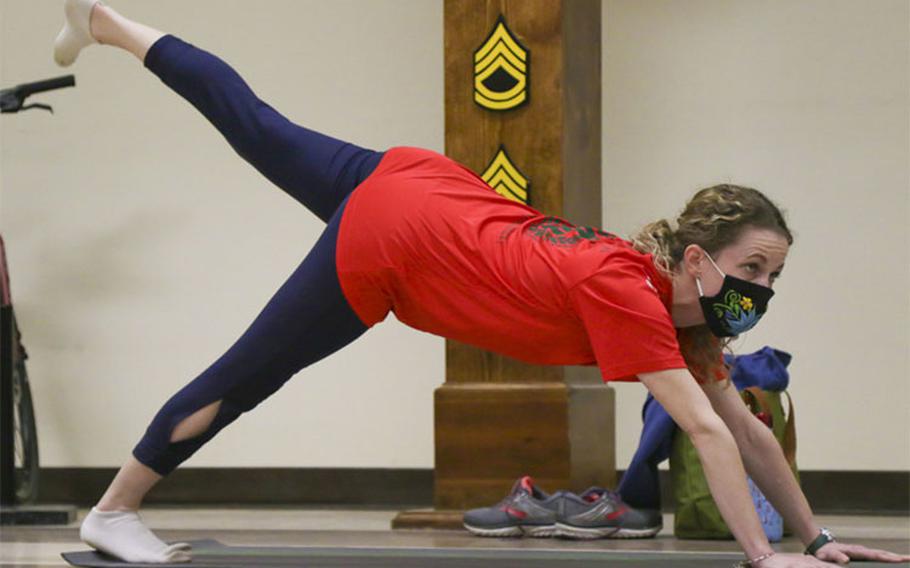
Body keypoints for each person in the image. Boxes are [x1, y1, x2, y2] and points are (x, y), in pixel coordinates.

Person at [51, 1, 909, 566]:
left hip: (421, 184)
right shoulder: (629, 293)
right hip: (393, 244)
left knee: (255, 123)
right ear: (696, 258)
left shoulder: (685, 316)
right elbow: (709, 434)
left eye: (774, 277)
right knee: (250, 373)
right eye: (752, 269)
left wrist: (817, 535)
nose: (761, 290)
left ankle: (104, 19)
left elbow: (747, 433)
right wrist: (764, 559)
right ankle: (112, 512)